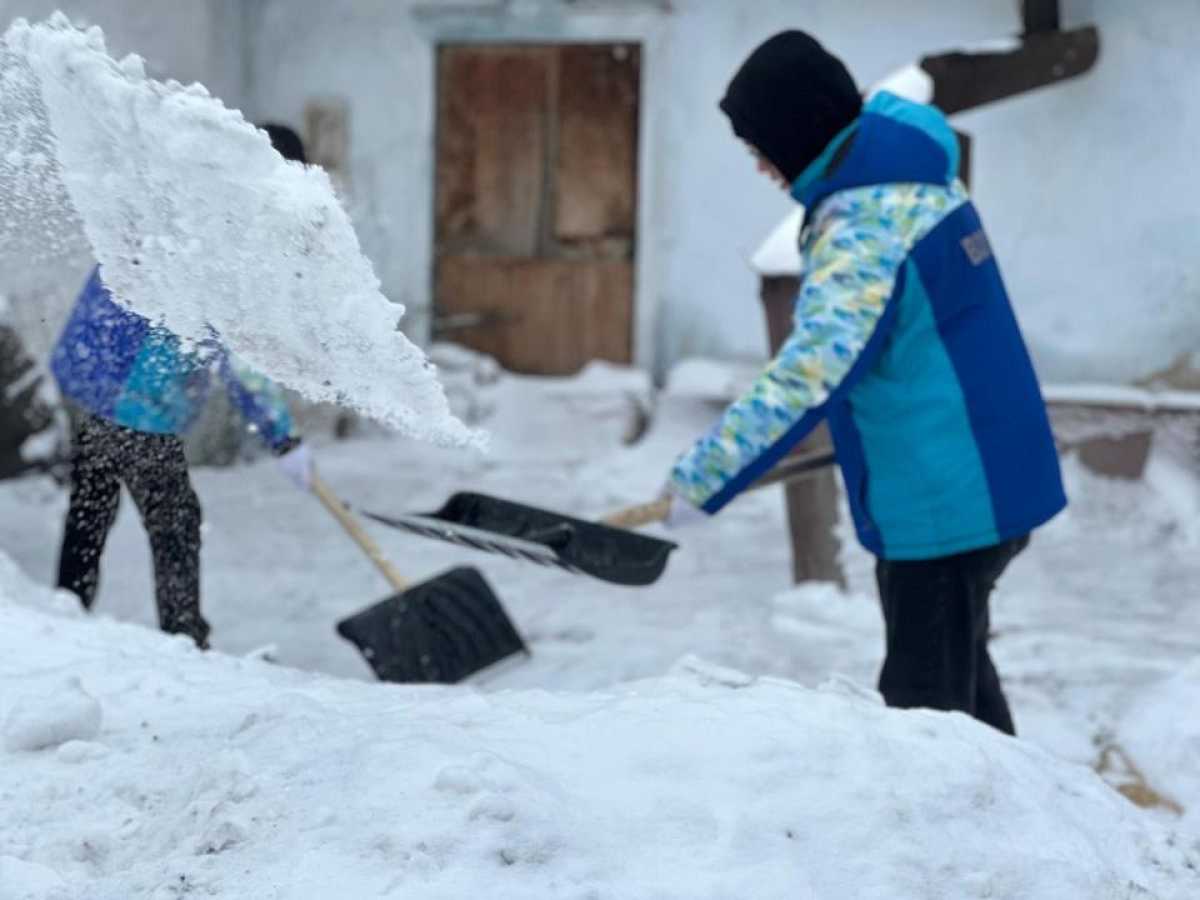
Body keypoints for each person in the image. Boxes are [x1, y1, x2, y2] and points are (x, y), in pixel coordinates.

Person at [663, 31, 1065, 735]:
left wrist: (701, 480)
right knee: (960, 683)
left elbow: (806, 376)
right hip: (980, 475)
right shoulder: (908, 174)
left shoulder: (866, 222)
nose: (760, 166)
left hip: (945, 498)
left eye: (759, 147)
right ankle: (1018, 816)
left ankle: (956, 841)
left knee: (924, 721)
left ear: (796, 132)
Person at [50, 124, 315, 648]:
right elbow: (235, 355)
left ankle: (64, 612)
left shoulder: (188, 190)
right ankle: (185, 640)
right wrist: (281, 436)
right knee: (174, 522)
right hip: (132, 394)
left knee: (93, 504)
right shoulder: (224, 228)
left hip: (90, 368)